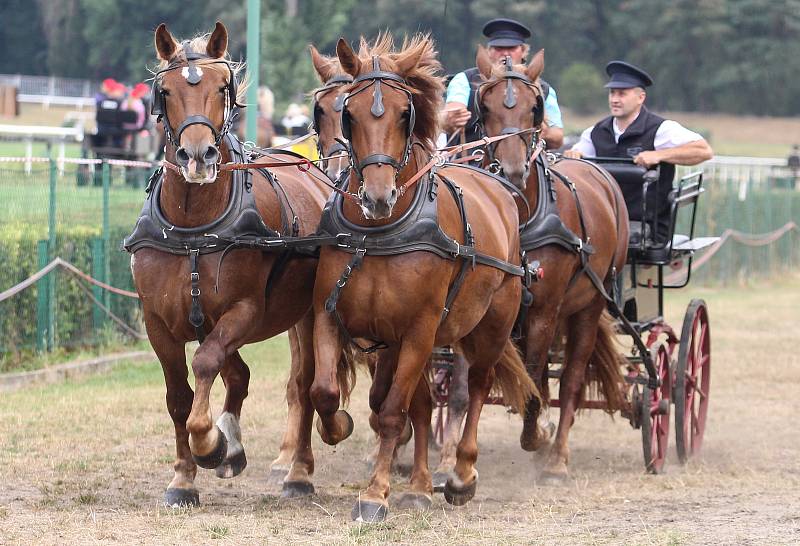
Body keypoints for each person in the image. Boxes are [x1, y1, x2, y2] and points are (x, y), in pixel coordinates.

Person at [564, 61, 713, 243]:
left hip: (647, 222)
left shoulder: (660, 129)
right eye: (612, 93)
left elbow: (704, 150)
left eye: (622, 94)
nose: (614, 99)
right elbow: (578, 154)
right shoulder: (595, 132)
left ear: (640, 97)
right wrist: (573, 156)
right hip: (602, 217)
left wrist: (659, 155)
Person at [440, 18, 564, 150]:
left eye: (511, 48)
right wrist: (450, 119)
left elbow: (558, 137)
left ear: (523, 51)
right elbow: (452, 111)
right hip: (471, 163)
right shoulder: (464, 79)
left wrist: (544, 131)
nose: (505, 53)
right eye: (499, 48)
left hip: (528, 163)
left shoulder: (544, 89)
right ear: (488, 51)